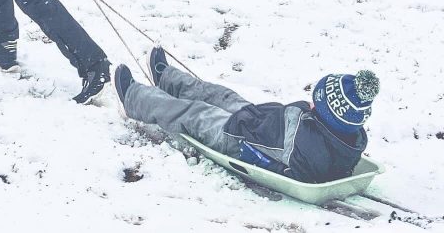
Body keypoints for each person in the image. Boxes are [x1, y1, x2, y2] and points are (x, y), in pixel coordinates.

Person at [114, 47, 380, 183]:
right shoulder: (347, 132)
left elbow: (286, 171)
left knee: (194, 113)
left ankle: (133, 98)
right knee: (220, 94)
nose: (310, 105)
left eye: (316, 105)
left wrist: (252, 157)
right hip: (257, 118)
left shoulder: (308, 151)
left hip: (239, 140)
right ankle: (168, 78)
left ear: (329, 117)